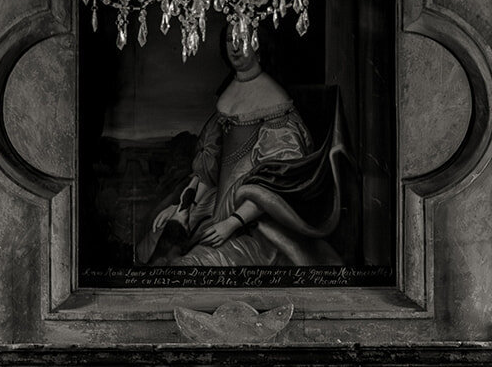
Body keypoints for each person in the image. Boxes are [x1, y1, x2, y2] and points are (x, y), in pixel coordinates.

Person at [138, 28, 345, 268]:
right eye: (229, 40)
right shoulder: (228, 93)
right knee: (157, 235)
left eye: (243, 40)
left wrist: (233, 223)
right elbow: (211, 165)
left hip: (254, 219)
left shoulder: (274, 102)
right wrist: (185, 207)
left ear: (258, 44)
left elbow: (275, 183)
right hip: (217, 204)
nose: (235, 47)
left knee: (196, 264)